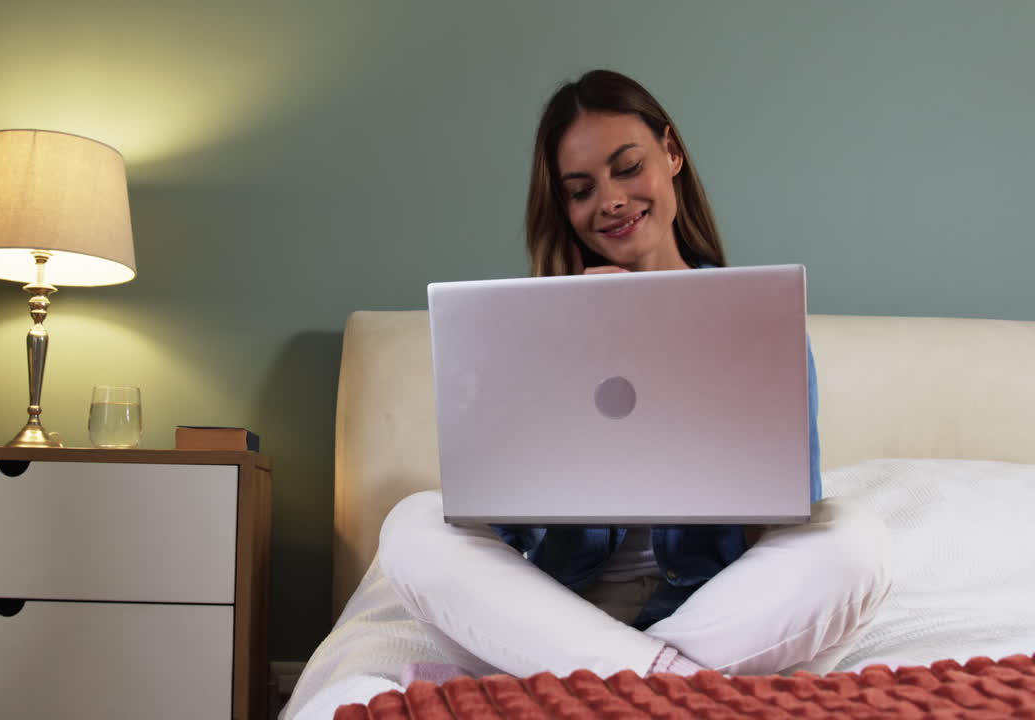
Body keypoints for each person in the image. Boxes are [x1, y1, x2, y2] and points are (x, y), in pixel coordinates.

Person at [378, 69, 891, 682]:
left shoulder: (757, 320)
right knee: (410, 525)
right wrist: (565, 348)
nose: (611, 200)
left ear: (671, 154)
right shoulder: (529, 324)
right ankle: (672, 687)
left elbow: (782, 521)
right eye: (581, 189)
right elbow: (503, 521)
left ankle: (599, 685)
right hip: (552, 616)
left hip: (712, 612)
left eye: (627, 167)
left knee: (856, 543)